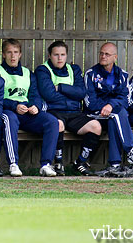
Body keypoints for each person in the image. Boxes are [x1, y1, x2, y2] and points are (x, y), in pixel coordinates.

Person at [0, 39, 60, 177]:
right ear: (3, 54)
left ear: (20, 54)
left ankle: (46, 165)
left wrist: (35, 106)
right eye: (9, 52)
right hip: (8, 110)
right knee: (9, 119)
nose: (13, 56)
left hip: (27, 112)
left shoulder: (28, 73)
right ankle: (13, 164)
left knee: (52, 121)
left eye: (16, 52)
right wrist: (14, 106)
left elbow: (35, 94)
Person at [35, 40, 100, 176]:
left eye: (62, 55)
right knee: (58, 125)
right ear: (49, 56)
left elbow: (81, 92)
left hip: (74, 112)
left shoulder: (74, 69)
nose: (59, 58)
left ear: (66, 55)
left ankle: (80, 162)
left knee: (96, 126)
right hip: (53, 111)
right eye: (56, 55)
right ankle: (58, 163)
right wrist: (71, 96)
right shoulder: (42, 70)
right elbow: (49, 94)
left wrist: (60, 87)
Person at [83, 42, 133, 177]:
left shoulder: (123, 75)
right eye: (101, 53)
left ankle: (115, 165)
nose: (103, 56)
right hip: (95, 116)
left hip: (114, 116)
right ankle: (131, 150)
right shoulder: (91, 74)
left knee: (116, 116)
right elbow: (90, 103)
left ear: (115, 57)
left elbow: (126, 100)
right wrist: (108, 106)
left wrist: (111, 105)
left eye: (107, 54)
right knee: (119, 114)